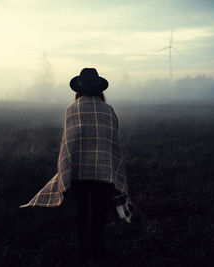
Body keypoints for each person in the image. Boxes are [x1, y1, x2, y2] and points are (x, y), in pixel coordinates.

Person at [20, 68, 131, 266]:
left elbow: (68, 143)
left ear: (79, 89)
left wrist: (66, 168)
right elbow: (113, 140)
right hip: (103, 172)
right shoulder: (108, 110)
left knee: (81, 213)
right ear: (99, 89)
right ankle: (98, 257)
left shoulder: (72, 110)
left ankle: (83, 256)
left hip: (79, 173)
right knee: (98, 214)